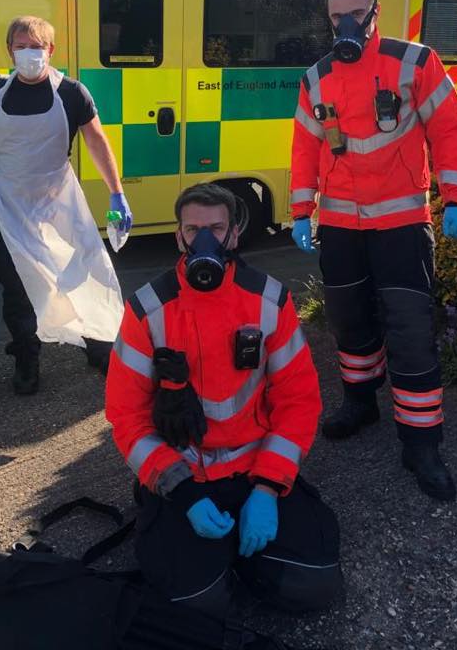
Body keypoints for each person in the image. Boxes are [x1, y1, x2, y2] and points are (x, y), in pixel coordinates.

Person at [105, 183, 342, 618]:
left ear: (234, 234)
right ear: (178, 236)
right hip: (185, 479)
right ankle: (217, 561)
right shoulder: (147, 309)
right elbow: (126, 416)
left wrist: (269, 488)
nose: (205, 240)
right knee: (194, 607)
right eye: (194, 230)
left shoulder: (270, 300)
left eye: (215, 227)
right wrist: (182, 493)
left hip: (256, 471)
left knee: (314, 585)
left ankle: (241, 556)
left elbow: (299, 401)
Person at [290, 0, 457, 502]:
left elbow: (450, 131)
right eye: (336, 16)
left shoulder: (415, 61)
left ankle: (421, 445)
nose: (345, 24)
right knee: (350, 321)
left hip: (400, 224)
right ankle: (360, 401)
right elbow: (305, 149)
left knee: (410, 330)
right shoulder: (316, 78)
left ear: (375, 12)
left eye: (355, 13)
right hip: (342, 227)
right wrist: (302, 213)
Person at [0, 16, 130, 395]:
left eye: (36, 46)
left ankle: (99, 346)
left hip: (59, 203)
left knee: (82, 272)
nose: (29, 53)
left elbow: (97, 142)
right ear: (9, 50)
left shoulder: (73, 93)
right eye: (21, 46)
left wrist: (117, 192)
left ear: (51, 50)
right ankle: (27, 360)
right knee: (17, 289)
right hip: (9, 205)